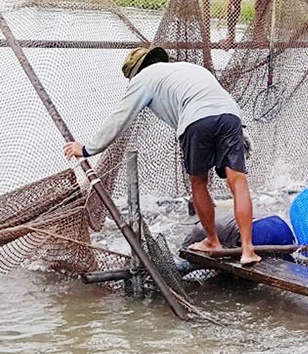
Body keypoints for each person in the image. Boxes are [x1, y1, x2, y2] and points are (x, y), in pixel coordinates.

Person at [62, 46, 260, 265]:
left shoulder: (143, 79)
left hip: (196, 119)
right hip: (231, 116)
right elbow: (216, 99)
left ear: (136, 72)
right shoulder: (189, 68)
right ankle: (248, 249)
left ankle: (213, 241)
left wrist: (88, 149)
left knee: (198, 182)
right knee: (238, 181)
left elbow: (119, 120)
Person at [183, 213, 295, 249]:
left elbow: (184, 252)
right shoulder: (223, 214)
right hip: (278, 224)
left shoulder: (199, 228)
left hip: (258, 234)